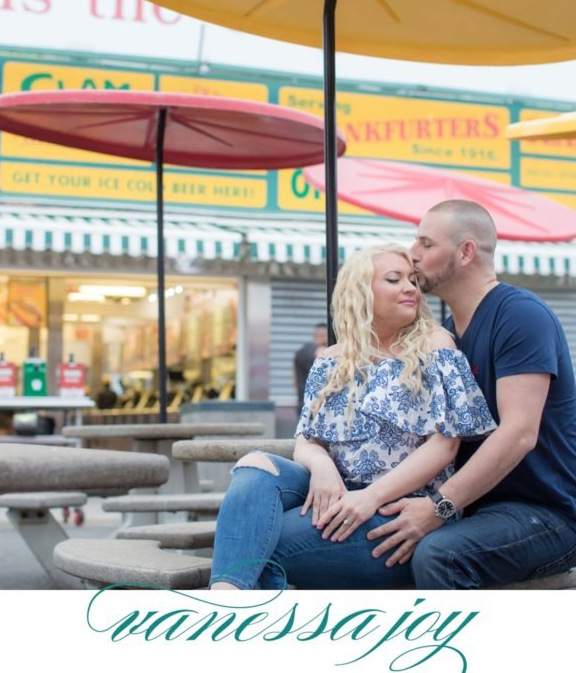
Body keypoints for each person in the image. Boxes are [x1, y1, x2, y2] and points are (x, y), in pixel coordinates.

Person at [209, 243, 495, 590]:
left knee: (253, 539)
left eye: (413, 280)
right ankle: (228, 602)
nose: (410, 287)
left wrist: (370, 497)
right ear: (360, 292)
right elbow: (307, 441)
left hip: (404, 512)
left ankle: (227, 604)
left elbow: (445, 447)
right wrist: (323, 467)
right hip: (340, 494)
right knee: (256, 466)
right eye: (393, 279)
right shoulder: (331, 359)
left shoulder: (436, 346)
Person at [365, 199, 576, 589]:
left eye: (426, 244)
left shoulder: (520, 314)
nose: (413, 254)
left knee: (440, 556)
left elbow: (519, 433)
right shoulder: (446, 332)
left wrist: (439, 507)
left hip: (549, 517)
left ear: (466, 252)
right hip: (476, 510)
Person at [293, 323, 328, 418]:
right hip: (316, 407)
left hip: (302, 403)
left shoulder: (300, 352)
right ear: (323, 336)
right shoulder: (321, 351)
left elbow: (295, 381)